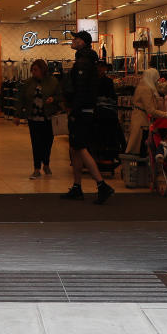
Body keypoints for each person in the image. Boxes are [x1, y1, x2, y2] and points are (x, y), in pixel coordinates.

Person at [60, 31, 114, 205]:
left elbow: (81, 91)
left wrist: (74, 110)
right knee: (75, 148)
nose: (73, 40)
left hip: (81, 111)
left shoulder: (83, 63)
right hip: (84, 110)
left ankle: (101, 184)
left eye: (76, 38)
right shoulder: (85, 60)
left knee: (81, 147)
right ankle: (77, 186)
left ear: (82, 42)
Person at [17, 59, 61, 178]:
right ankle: (36, 168)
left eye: (35, 70)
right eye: (32, 70)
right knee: (36, 143)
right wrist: (18, 114)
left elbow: (59, 96)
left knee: (47, 143)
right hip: (34, 117)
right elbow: (21, 98)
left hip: (48, 117)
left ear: (42, 70)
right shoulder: (28, 83)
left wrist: (53, 99)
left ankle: (46, 164)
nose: (33, 72)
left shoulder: (53, 81)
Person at [126, 67, 167, 155]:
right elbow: (151, 110)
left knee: (139, 147)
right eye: (156, 79)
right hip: (141, 122)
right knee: (139, 149)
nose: (157, 81)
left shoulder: (143, 86)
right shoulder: (146, 89)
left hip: (139, 119)